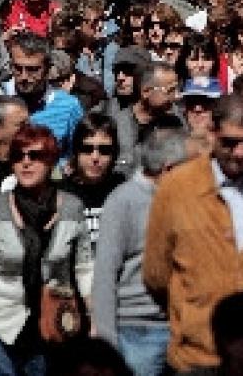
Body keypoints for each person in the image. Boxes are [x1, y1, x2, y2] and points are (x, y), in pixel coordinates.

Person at [143, 94, 243, 373]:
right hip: (200, 354)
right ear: (211, 132)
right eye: (229, 142)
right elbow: (157, 274)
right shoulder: (177, 188)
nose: (240, 152)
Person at [0, 124, 94, 374]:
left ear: (51, 161)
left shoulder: (72, 209)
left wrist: (94, 317)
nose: (25, 163)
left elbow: (84, 267)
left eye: (35, 156)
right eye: (18, 156)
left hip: (50, 323)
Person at [92, 129, 189, 376]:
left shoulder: (185, 201)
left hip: (181, 328)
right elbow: (104, 275)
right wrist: (107, 346)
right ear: (169, 169)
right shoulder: (123, 202)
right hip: (136, 332)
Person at [59, 113, 125, 246]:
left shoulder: (124, 192)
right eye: (86, 149)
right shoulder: (60, 194)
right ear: (76, 152)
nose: (95, 157)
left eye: (104, 150)